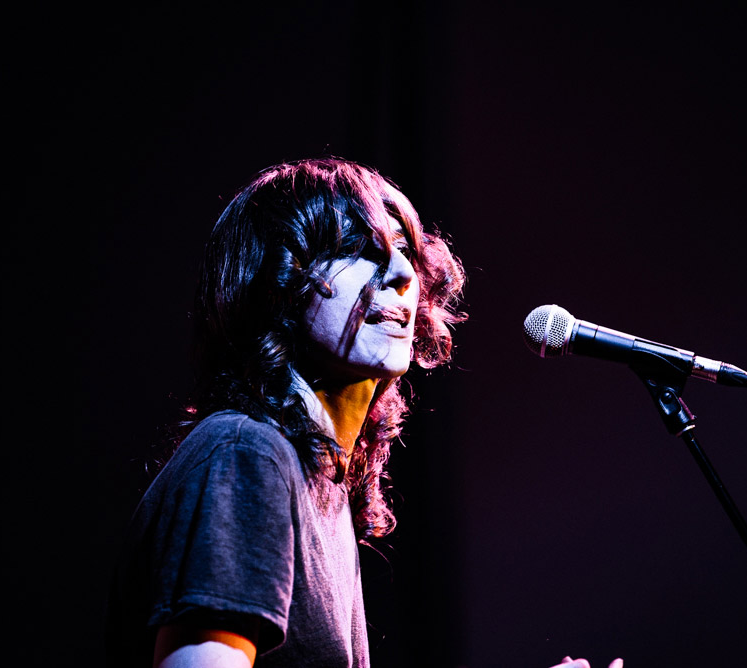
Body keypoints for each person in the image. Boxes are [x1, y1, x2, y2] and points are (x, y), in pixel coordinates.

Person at [105, 157, 620, 668]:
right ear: (276, 281)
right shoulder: (246, 456)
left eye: (404, 252)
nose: (401, 273)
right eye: (357, 249)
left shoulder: (324, 486)